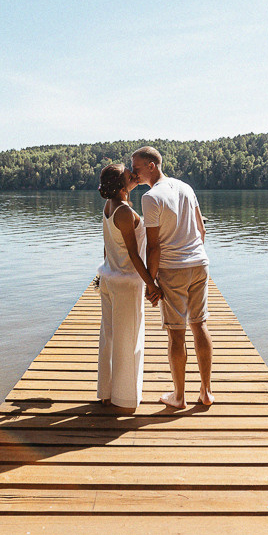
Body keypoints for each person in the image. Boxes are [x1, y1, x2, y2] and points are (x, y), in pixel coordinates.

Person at [129, 146, 213, 409]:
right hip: (199, 264)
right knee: (199, 325)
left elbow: (154, 247)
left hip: (173, 269)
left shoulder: (150, 197)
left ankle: (179, 397)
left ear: (151, 166)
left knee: (177, 334)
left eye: (136, 168)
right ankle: (206, 392)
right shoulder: (186, 187)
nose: (133, 173)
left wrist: (151, 283)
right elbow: (201, 229)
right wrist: (193, 254)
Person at [96, 163, 161, 412]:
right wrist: (152, 285)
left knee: (110, 337)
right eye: (128, 175)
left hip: (110, 279)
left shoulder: (109, 206)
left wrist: (104, 270)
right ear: (121, 185)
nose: (133, 175)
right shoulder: (123, 211)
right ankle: (125, 398)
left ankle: (107, 392)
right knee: (129, 340)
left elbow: (107, 245)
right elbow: (134, 255)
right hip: (125, 283)